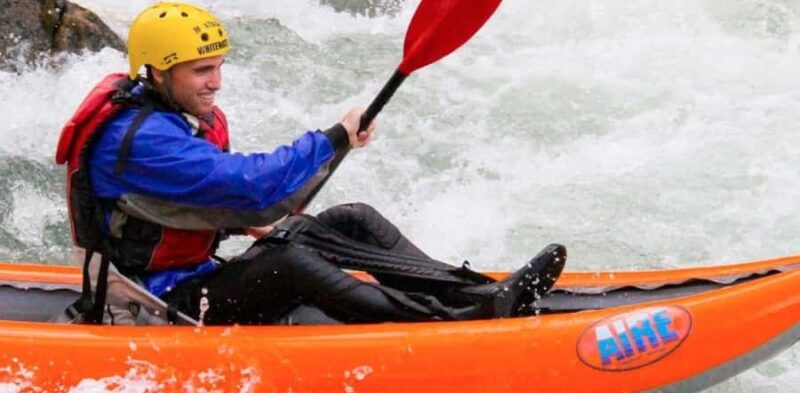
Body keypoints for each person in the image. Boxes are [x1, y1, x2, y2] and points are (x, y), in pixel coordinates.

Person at [55, 2, 566, 325]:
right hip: (158, 305)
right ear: (155, 73)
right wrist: (334, 136)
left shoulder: (178, 115)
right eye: (201, 71)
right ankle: (456, 318)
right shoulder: (139, 140)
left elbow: (221, 206)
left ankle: (479, 293)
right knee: (289, 262)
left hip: (199, 274)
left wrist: (269, 219)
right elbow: (251, 186)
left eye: (218, 68)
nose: (216, 83)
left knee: (351, 219)